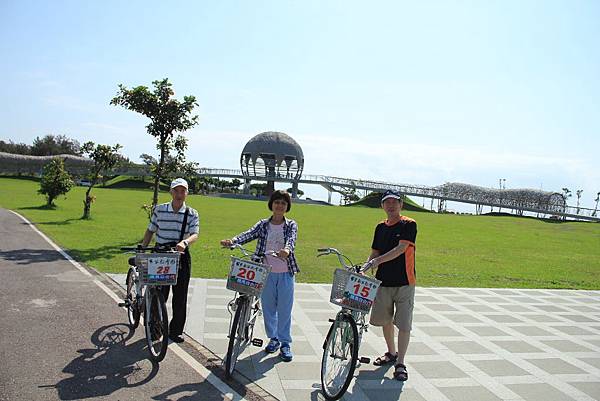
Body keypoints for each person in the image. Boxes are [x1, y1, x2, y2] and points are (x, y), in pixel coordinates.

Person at [220, 190, 299, 362]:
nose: (279, 206)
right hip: (265, 272)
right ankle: (274, 339)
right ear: (271, 204)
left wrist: (287, 250)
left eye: (283, 203)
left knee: (285, 310)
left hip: (285, 272)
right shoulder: (263, 224)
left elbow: (291, 240)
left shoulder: (291, 224)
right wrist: (233, 241)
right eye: (277, 202)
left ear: (287, 207)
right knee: (269, 308)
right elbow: (248, 234)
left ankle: (285, 343)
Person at [365, 189, 417, 381]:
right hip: (383, 281)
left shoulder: (409, 224)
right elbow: (375, 251)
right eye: (387, 202)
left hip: (405, 282)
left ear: (401, 204)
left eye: (395, 202)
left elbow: (401, 249)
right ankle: (391, 353)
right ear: (382, 206)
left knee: (403, 324)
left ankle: (400, 362)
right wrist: (366, 265)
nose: (391, 205)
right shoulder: (380, 227)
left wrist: (376, 262)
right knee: (385, 320)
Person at [141, 178, 199, 343]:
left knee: (180, 295)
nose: (179, 194)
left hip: (180, 255)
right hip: (160, 254)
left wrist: (185, 242)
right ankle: (155, 328)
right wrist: (143, 248)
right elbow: (150, 230)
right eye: (176, 190)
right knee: (158, 292)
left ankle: (175, 331)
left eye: (183, 191)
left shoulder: (192, 213)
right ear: (171, 192)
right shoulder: (159, 210)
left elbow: (195, 233)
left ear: (187, 193)